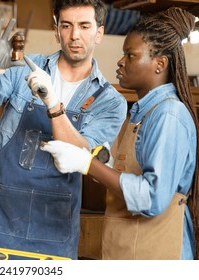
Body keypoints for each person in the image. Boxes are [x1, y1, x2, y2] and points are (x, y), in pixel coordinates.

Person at [0, 0, 127, 260]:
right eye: (66, 25)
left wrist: (53, 103)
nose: (75, 35)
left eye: (84, 26)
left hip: (54, 230)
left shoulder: (110, 101)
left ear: (99, 33)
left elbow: (84, 157)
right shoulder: (23, 68)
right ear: (57, 30)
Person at [41, 7, 199, 260]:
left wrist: (88, 164)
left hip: (159, 255)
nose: (120, 61)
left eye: (130, 55)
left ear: (160, 64)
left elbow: (152, 197)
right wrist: (103, 160)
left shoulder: (168, 115)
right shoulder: (140, 113)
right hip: (130, 251)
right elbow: (130, 174)